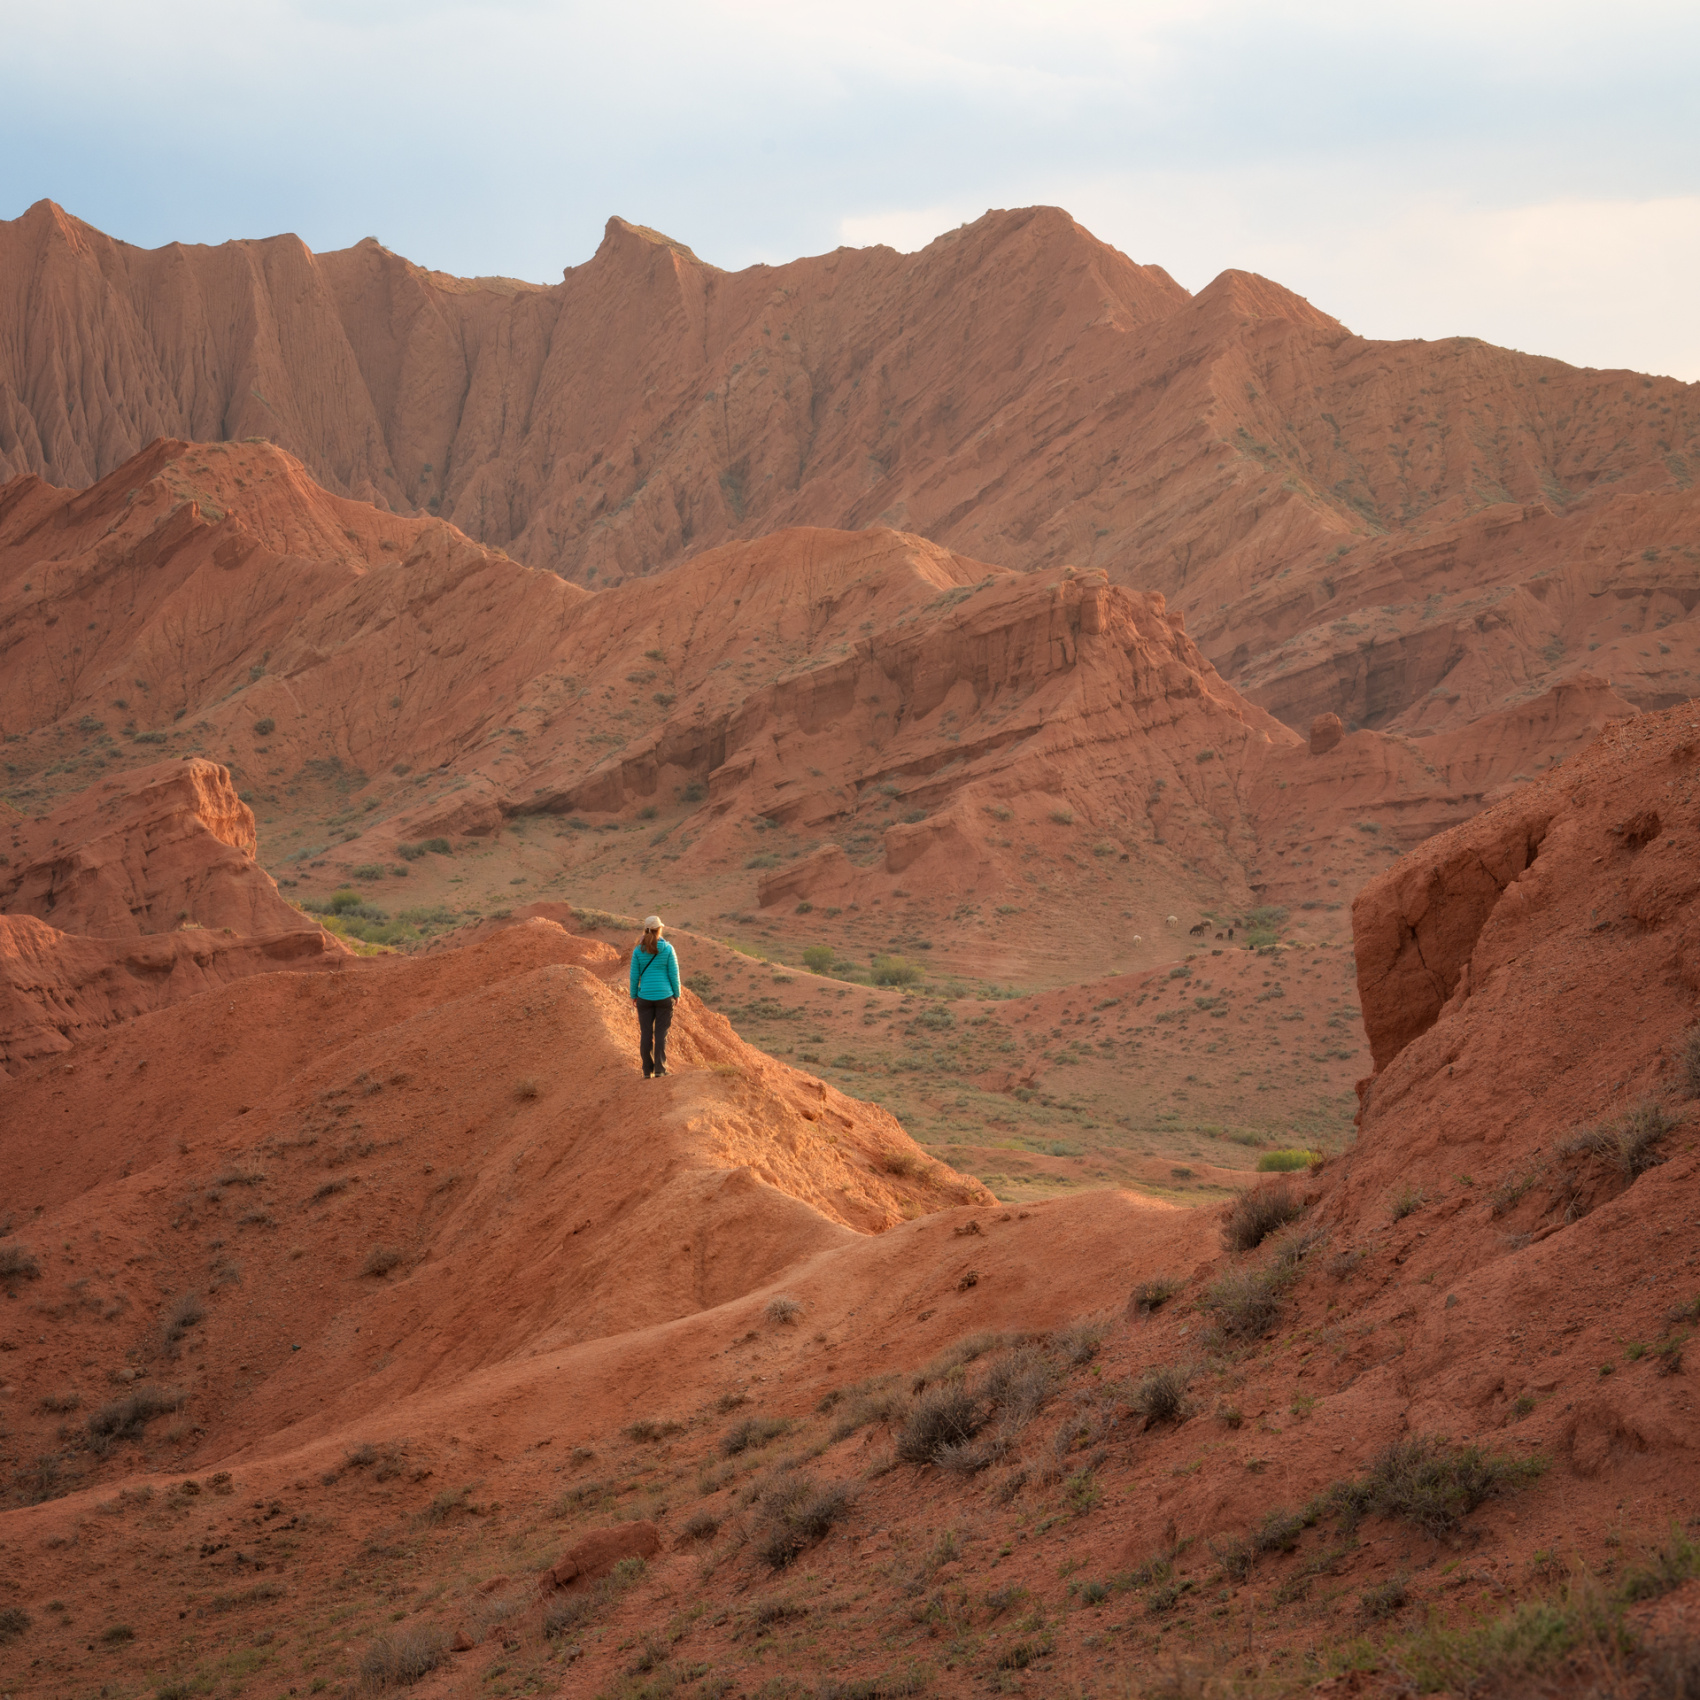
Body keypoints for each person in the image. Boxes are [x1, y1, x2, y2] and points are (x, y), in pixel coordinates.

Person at [629, 915, 681, 1078]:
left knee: (646, 1033)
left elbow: (634, 976)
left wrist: (633, 995)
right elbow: (674, 973)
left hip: (644, 997)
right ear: (660, 929)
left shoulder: (638, 950)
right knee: (660, 1033)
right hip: (665, 997)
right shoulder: (667, 949)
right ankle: (660, 1069)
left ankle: (646, 1071)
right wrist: (677, 994)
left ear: (645, 930)